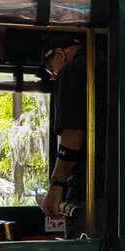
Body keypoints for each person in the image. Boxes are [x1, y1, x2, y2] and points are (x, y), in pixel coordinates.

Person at [36, 35, 89, 237]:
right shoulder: (107, 64)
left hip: (89, 192)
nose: (52, 75)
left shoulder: (72, 71)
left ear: (60, 54)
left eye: (51, 69)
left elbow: (73, 137)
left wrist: (56, 186)